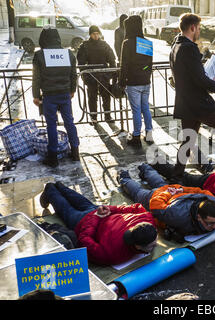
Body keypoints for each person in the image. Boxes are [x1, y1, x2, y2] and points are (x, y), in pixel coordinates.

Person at [169, 13, 215, 178]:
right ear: (192, 28)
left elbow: (187, 74)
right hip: (198, 103)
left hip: (185, 102)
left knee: (188, 139)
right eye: (199, 28)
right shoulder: (189, 47)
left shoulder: (176, 45)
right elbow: (199, 78)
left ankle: (176, 174)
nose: (199, 31)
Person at [40, 181, 158, 265]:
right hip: (86, 220)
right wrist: (108, 210)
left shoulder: (147, 219)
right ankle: (51, 189)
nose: (156, 244)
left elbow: (136, 208)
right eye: (152, 245)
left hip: (96, 215)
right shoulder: (112, 255)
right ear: (137, 246)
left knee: (79, 201)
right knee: (64, 206)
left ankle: (59, 187)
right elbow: (84, 238)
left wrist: (105, 211)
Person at [117, 164, 215, 242]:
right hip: (160, 197)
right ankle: (124, 178)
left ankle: (145, 167)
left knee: (159, 183)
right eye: (209, 223)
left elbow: (200, 191)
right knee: (138, 193)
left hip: (175, 193)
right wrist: (168, 192)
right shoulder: (176, 215)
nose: (214, 227)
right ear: (199, 216)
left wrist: (181, 190)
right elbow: (154, 205)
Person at [32, 26, 80, 168]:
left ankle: (53, 157)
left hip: (49, 96)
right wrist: (72, 90)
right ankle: (76, 151)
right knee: (69, 122)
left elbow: (36, 78)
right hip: (65, 94)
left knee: (51, 125)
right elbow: (73, 75)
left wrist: (35, 95)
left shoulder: (40, 55)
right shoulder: (68, 54)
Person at [119, 15, 154, 148]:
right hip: (146, 81)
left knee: (136, 110)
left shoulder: (127, 42)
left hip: (133, 82)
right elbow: (148, 64)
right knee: (145, 108)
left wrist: (122, 82)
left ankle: (136, 135)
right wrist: (144, 72)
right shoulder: (146, 42)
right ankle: (149, 133)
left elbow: (124, 65)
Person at [77, 25, 116, 124]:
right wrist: (85, 75)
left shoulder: (104, 44)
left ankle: (107, 115)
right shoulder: (85, 45)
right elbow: (81, 62)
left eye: (97, 34)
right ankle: (93, 117)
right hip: (91, 75)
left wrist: (110, 73)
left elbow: (112, 59)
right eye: (94, 34)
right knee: (92, 97)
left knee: (106, 96)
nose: (96, 36)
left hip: (104, 75)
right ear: (90, 34)